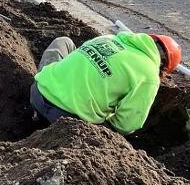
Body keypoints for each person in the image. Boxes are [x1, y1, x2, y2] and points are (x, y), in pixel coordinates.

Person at [30, 32, 182, 135]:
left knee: (64, 42)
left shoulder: (110, 38)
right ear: (164, 68)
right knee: (113, 135)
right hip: (67, 120)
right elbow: (126, 125)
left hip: (38, 92)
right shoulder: (149, 76)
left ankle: (40, 95)